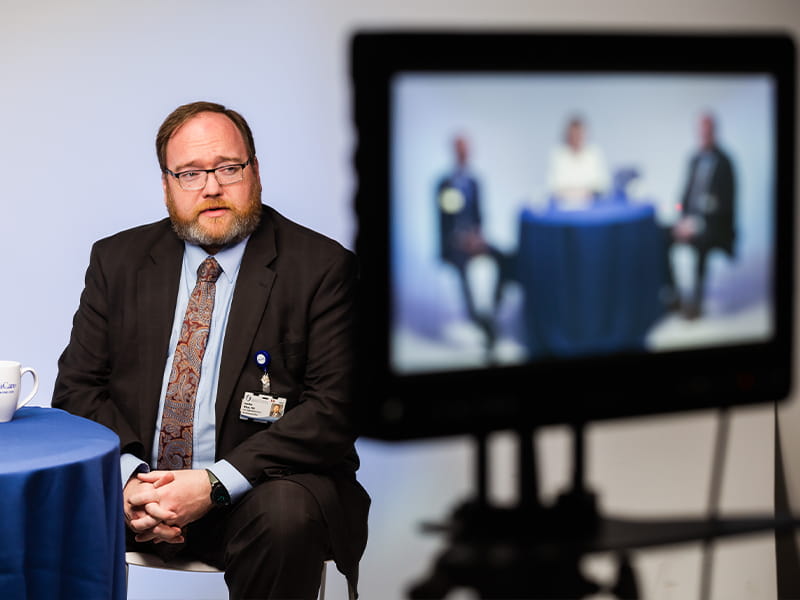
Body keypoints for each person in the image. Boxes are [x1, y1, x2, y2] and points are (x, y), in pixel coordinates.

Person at [52, 101, 370, 599]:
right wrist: (132, 482)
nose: (212, 187)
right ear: (166, 185)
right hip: (136, 494)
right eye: (190, 173)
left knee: (286, 516)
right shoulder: (116, 261)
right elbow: (77, 390)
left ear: (255, 171)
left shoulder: (324, 268)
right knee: (32, 502)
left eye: (228, 167)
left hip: (257, 494)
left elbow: (335, 409)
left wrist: (213, 484)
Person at [435, 134, 510, 350]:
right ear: (454, 152)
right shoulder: (444, 184)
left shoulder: (475, 182)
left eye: (466, 149)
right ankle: (477, 319)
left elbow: (479, 215)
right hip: (453, 245)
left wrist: (477, 237)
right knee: (464, 268)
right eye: (460, 149)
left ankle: (491, 313)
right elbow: (443, 222)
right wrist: (460, 240)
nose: (463, 153)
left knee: (503, 258)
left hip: (474, 240)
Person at [667, 112, 736, 319]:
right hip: (688, 220)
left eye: (708, 131)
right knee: (662, 236)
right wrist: (679, 216)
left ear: (714, 132)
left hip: (714, 225)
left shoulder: (725, 163)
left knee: (701, 243)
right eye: (701, 131)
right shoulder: (694, 159)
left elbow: (725, 205)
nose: (704, 136)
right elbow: (682, 197)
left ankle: (696, 301)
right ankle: (675, 296)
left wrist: (697, 223)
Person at [546, 115, 610, 210]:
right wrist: (572, 193)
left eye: (578, 134)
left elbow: (603, 184)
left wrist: (586, 192)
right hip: (563, 209)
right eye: (572, 134)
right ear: (567, 135)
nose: (576, 137)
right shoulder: (558, 155)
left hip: (592, 208)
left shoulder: (594, 153)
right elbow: (552, 185)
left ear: (584, 134)